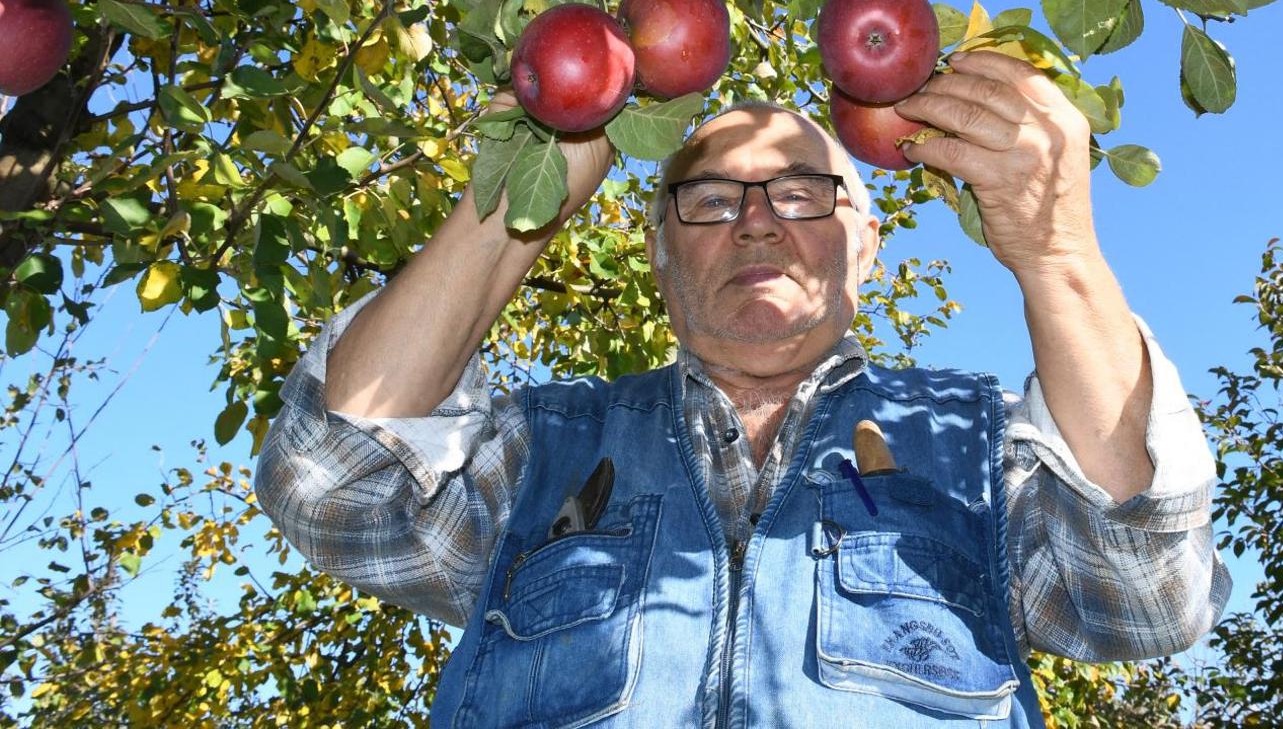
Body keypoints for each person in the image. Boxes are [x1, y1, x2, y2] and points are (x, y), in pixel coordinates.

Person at [255, 49, 1232, 726]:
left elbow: (1139, 600)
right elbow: (337, 488)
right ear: (656, 249)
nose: (759, 223)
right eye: (712, 198)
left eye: (804, 193)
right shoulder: (542, 451)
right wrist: (520, 198)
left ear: (870, 244)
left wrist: (1059, 254)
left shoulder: (972, 448)